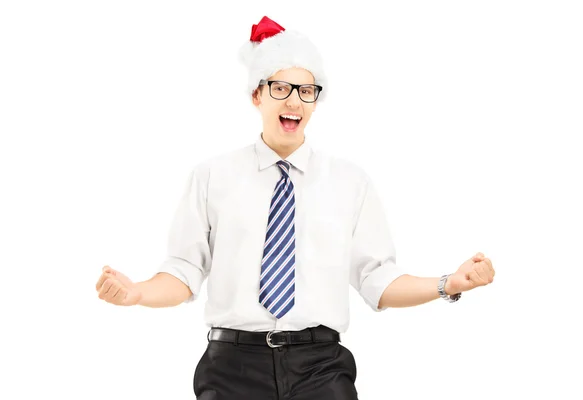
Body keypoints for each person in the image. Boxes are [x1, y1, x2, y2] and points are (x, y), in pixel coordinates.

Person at [95, 16, 495, 400]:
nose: (295, 101)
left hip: (320, 368)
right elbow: (184, 271)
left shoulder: (349, 182)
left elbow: (377, 279)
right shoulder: (211, 176)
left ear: (316, 101)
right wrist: (137, 293)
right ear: (257, 94)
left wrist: (449, 284)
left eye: (307, 91)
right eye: (281, 88)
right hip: (232, 368)